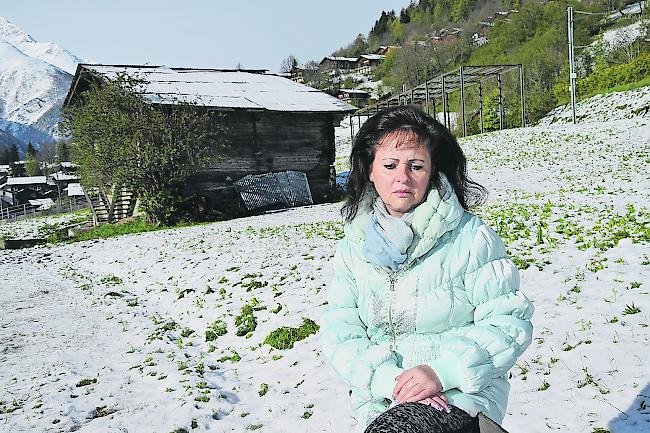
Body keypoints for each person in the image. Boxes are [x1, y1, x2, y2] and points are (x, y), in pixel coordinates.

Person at [319, 106, 534, 433]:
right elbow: (340, 329)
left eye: (415, 166)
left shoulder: (470, 238)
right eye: (390, 165)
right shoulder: (354, 246)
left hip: (459, 391)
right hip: (382, 394)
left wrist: (441, 372)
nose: (402, 177)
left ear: (432, 171)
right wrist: (387, 380)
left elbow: (509, 320)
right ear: (370, 170)